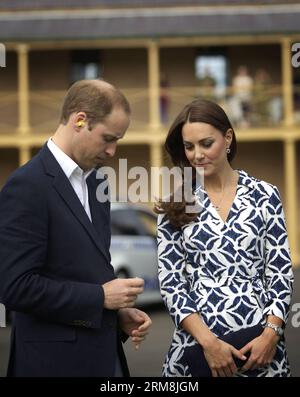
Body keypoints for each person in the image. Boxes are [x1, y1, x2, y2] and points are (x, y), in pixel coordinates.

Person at [0, 79, 152, 377]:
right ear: (79, 120)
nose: (112, 151)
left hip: (106, 357)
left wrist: (115, 313)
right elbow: (14, 287)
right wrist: (100, 298)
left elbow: (90, 272)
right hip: (51, 364)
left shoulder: (98, 182)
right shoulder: (26, 185)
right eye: (108, 138)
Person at [155, 98, 294, 377]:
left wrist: (271, 334)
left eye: (206, 143)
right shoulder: (175, 204)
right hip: (197, 347)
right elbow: (172, 284)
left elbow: (279, 271)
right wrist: (209, 344)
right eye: (189, 146)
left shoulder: (265, 195)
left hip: (261, 348)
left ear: (228, 137)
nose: (197, 155)